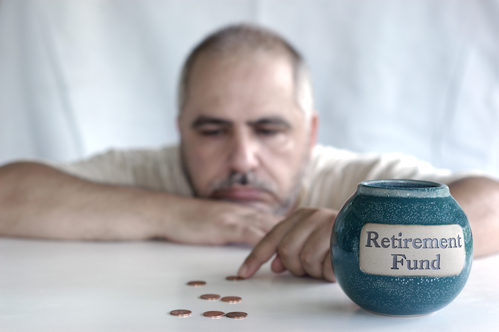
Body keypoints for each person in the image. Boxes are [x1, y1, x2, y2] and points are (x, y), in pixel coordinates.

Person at [0, 24, 498, 282]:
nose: (242, 159)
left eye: (269, 130)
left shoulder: (346, 177)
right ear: (181, 131)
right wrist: (176, 215)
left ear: (310, 134)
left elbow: (492, 204)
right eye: (212, 131)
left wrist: (360, 230)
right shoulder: (152, 172)